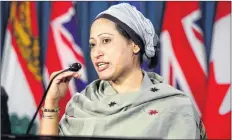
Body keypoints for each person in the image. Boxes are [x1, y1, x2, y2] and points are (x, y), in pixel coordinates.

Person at [40, 3, 207, 139]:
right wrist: (51, 104)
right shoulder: (81, 104)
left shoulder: (174, 107)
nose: (97, 52)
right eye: (92, 44)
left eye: (106, 40)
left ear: (135, 45)